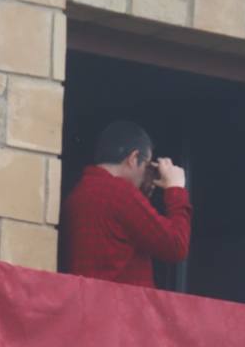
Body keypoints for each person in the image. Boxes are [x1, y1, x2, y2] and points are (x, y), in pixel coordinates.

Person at [62, 120, 191, 288]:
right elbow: (176, 245)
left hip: (86, 298)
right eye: (147, 165)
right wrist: (176, 189)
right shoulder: (120, 194)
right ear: (133, 158)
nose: (146, 173)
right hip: (120, 302)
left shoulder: (77, 193)